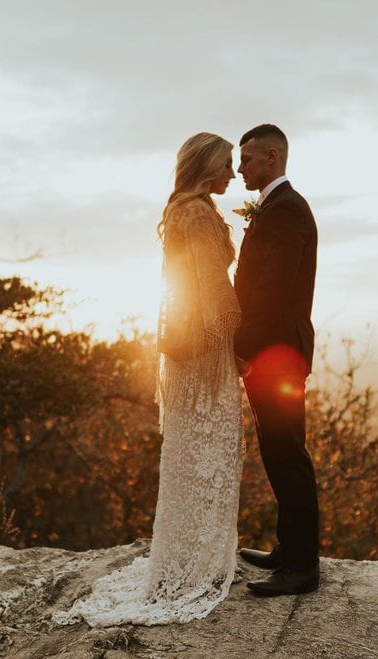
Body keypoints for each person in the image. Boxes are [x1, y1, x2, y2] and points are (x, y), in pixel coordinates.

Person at [53, 132, 244, 626]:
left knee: (189, 453)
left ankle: (185, 556)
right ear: (205, 167)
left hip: (186, 345)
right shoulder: (198, 212)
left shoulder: (180, 206)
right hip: (205, 351)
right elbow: (211, 285)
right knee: (209, 453)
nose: (233, 173)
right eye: (225, 165)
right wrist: (238, 339)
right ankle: (196, 564)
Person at [233, 123, 320, 596]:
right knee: (278, 450)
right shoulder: (276, 207)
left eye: (246, 159)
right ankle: (291, 548)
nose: (239, 167)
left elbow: (272, 291)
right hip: (274, 351)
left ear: (272, 157)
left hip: (278, 354)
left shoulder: (286, 210)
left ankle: (303, 566)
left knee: (288, 454)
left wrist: (243, 347)